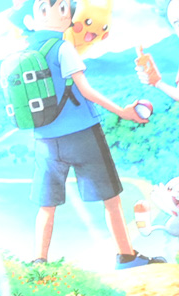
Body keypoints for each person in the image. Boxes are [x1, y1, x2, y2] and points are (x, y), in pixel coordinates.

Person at [9, 0, 160, 268]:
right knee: (111, 199)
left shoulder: (24, 53)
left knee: (46, 205)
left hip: (45, 139)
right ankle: (126, 256)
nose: (62, 12)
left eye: (63, 7)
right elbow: (86, 90)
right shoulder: (63, 48)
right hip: (82, 134)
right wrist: (122, 111)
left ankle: (39, 261)